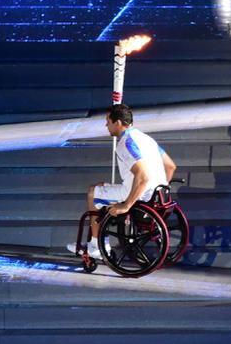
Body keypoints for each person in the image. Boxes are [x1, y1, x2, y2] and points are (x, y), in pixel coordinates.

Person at [68, 104, 177, 259]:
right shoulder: (148, 139)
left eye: (108, 121)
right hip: (157, 195)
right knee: (101, 187)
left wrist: (126, 205)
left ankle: (96, 245)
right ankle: (99, 238)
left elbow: (143, 176)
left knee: (93, 192)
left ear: (118, 122)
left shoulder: (126, 143)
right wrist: (158, 187)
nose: (106, 125)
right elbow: (171, 167)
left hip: (138, 194)